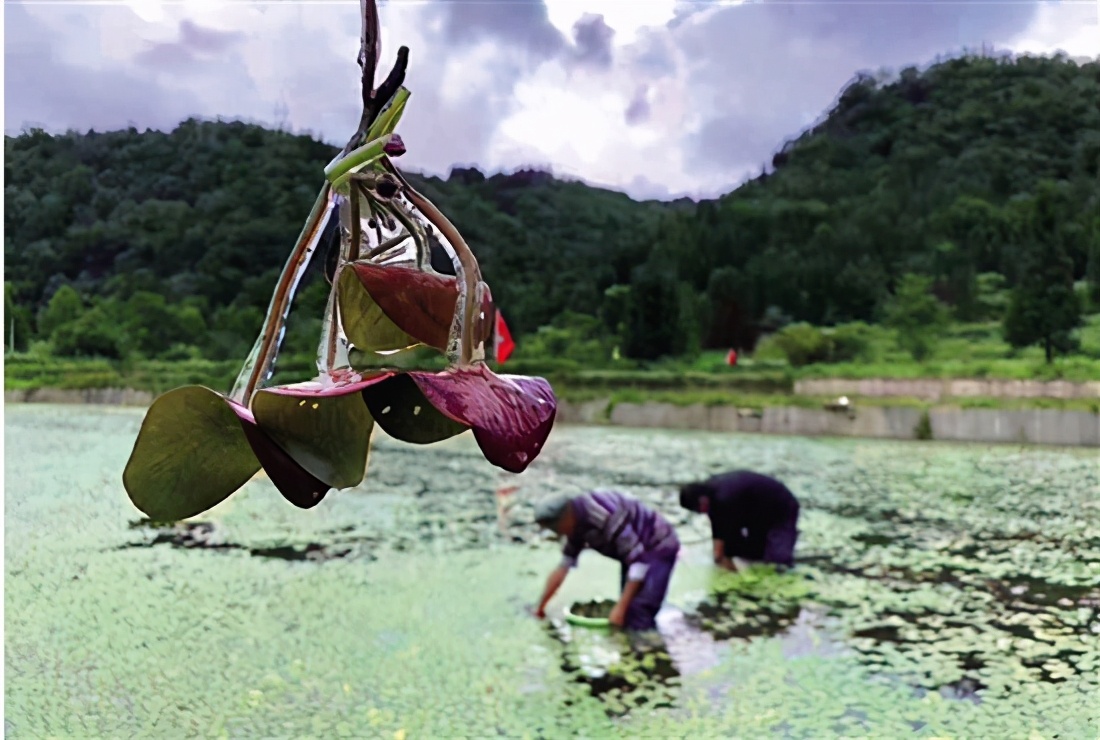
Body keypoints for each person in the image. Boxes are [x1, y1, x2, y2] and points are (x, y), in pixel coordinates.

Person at [533, 490, 680, 631]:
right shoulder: (577, 526)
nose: (557, 532)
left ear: (567, 516)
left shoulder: (604, 516)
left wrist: (620, 609)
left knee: (640, 611)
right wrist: (540, 607)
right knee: (628, 611)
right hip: (631, 554)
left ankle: (646, 648)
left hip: (657, 546)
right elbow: (564, 566)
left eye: (555, 527)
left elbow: (638, 562)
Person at [679, 470, 800, 571]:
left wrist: (722, 558)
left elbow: (728, 531)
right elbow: (719, 529)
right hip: (755, 512)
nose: (701, 512)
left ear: (702, 499)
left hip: (781, 508)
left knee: (777, 559)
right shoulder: (713, 496)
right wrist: (719, 556)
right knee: (751, 551)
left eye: (699, 508)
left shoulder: (725, 497)